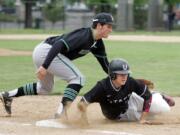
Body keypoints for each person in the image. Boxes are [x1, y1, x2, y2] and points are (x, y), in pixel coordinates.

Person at [0, 12, 114, 118]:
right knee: (78, 78)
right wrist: (45, 66)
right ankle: (61, 113)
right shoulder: (84, 35)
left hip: (45, 53)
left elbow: (105, 65)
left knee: (44, 88)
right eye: (108, 26)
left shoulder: (97, 43)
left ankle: (8, 95)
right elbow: (59, 44)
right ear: (99, 25)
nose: (111, 29)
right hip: (47, 52)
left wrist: (119, 77)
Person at [77, 58, 175, 124]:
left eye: (126, 74)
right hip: (119, 115)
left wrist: (143, 118)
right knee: (152, 116)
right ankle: (151, 102)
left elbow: (147, 96)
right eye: (121, 74)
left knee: (163, 108)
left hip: (131, 100)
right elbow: (84, 101)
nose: (125, 77)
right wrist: (83, 118)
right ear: (112, 75)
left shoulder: (130, 81)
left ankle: (159, 95)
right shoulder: (102, 87)